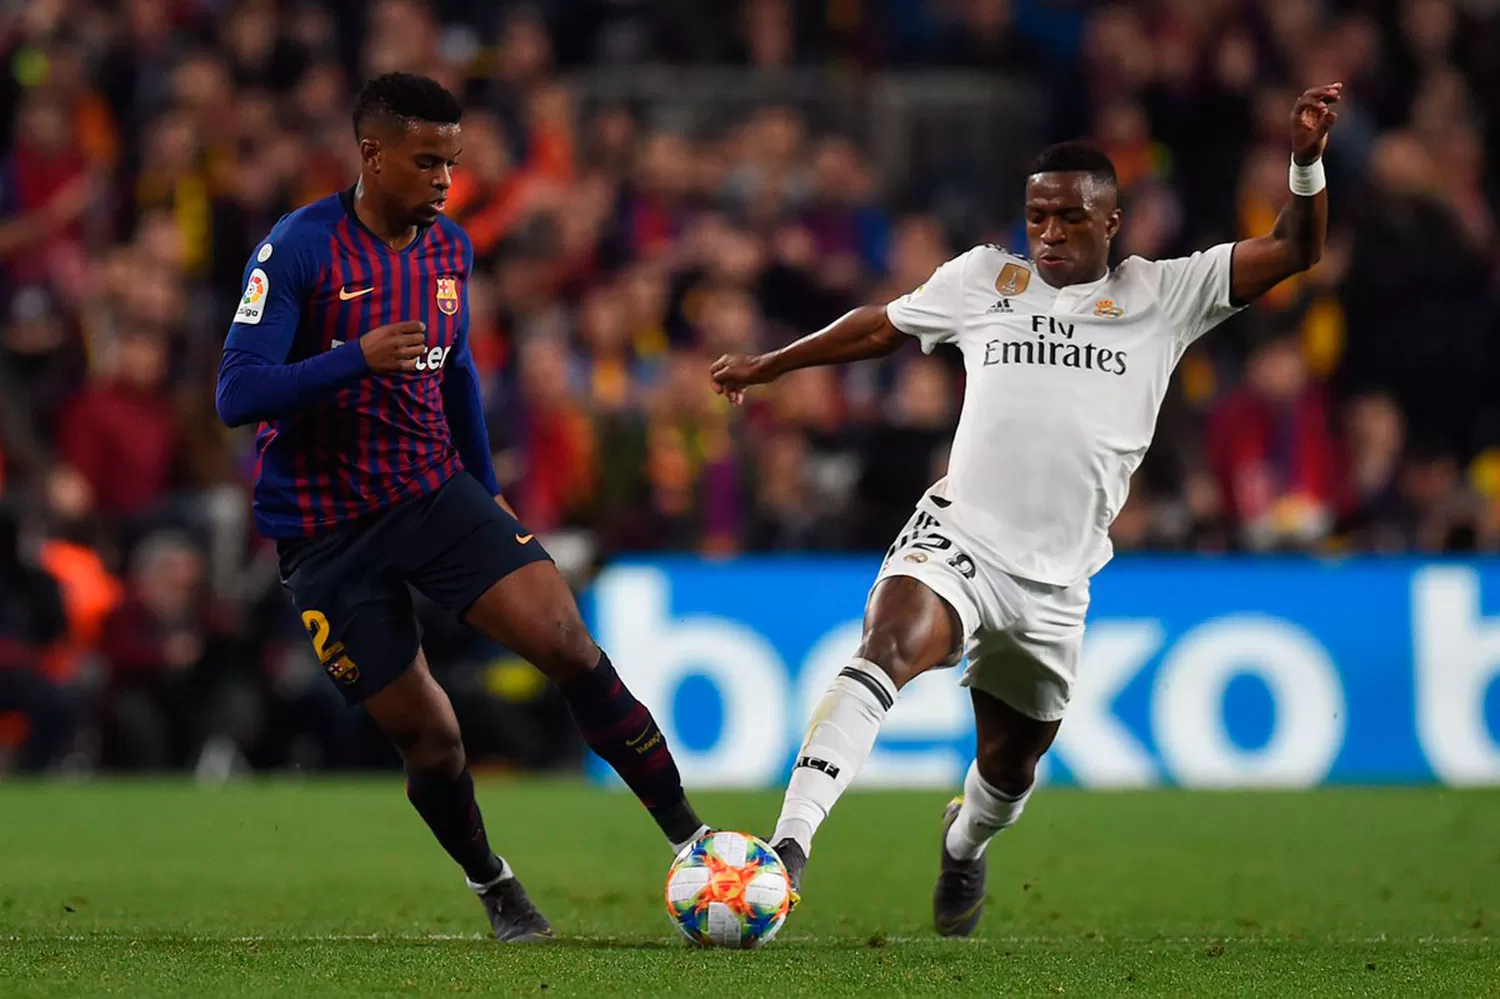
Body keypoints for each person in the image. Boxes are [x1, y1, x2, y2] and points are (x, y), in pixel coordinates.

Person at [710, 84, 1342, 936]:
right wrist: (771, 364)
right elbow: (879, 328)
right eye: (1036, 216)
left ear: (1111, 224)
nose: (1047, 234)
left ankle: (964, 841)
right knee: (886, 646)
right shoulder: (982, 279)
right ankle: (786, 854)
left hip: (1055, 583)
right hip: (960, 534)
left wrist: (1303, 161)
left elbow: (1295, 249)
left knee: (1007, 770)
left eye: (1068, 220)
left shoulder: (1168, 293)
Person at [215, 73, 710, 943]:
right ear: (371, 153)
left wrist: (484, 488)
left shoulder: (449, 248)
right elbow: (236, 393)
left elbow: (459, 374)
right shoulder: (297, 249)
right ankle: (496, 884)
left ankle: (695, 842)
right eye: (427, 161)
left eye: (454, 161)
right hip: (326, 533)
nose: (445, 180)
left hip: (432, 491)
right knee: (432, 736)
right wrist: (353, 358)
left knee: (567, 643)